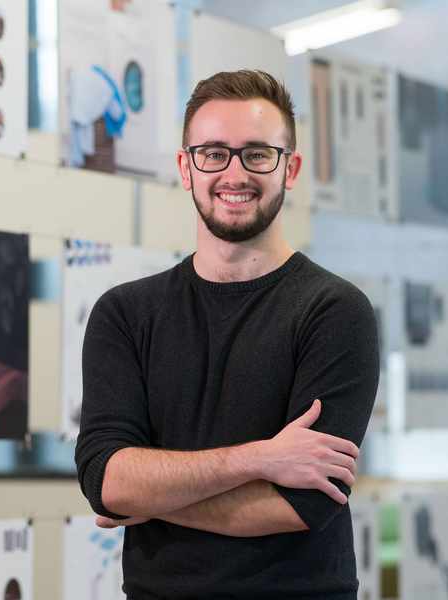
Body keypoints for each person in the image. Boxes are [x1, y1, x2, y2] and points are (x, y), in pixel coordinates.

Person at [75, 69, 380, 599]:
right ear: (185, 168)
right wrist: (260, 458)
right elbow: (106, 479)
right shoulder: (125, 314)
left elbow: (300, 505)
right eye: (213, 153)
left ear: (291, 169)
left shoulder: (336, 312)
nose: (234, 173)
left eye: (258, 154)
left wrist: (151, 497)